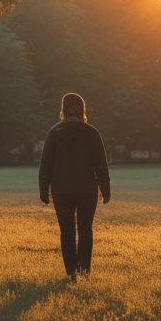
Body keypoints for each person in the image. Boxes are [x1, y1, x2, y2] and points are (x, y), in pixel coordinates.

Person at [38, 92, 111, 280]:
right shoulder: (92, 133)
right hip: (87, 190)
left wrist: (44, 191)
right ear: (82, 110)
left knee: (67, 232)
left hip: (61, 191)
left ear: (62, 110)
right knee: (85, 230)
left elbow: (46, 164)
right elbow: (101, 165)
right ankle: (84, 270)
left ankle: (71, 272)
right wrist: (105, 189)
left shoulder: (54, 133)